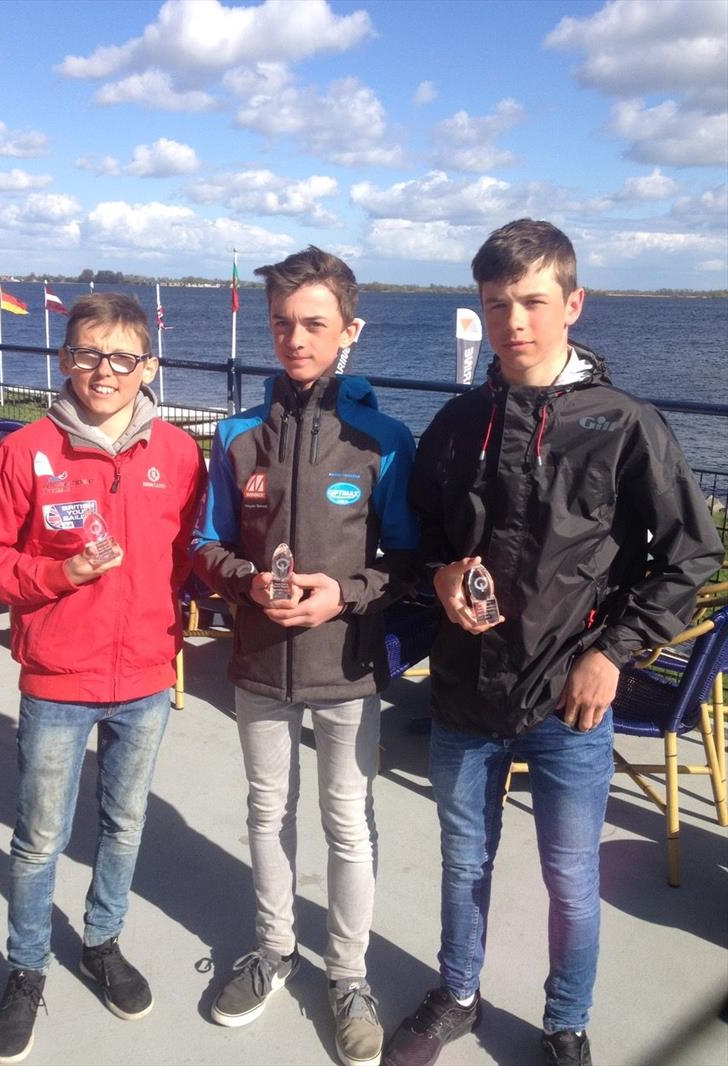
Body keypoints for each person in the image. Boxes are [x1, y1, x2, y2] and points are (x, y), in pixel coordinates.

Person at [383, 219, 724, 1066]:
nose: (515, 322)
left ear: (573, 303)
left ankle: (566, 1020)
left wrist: (613, 655)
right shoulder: (460, 422)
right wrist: (434, 578)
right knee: (464, 860)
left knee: (571, 880)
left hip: (571, 700)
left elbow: (692, 554)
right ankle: (458, 994)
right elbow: (415, 539)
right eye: (497, 304)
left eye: (534, 301)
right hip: (465, 690)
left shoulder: (623, 423)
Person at [0, 293, 205, 1064]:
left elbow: (191, 553)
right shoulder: (26, 450)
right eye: (88, 354)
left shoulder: (180, 455)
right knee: (38, 841)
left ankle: (102, 941)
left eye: (124, 357)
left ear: (148, 367)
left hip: (149, 679)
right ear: (63, 360)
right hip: (58, 680)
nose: (105, 371)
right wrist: (56, 576)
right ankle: (26, 967)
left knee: (123, 827)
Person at [193, 246, 418, 1066]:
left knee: (347, 827)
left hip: (348, 668)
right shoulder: (237, 434)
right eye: (283, 323)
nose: (295, 338)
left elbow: (406, 560)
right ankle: (275, 948)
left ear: (349, 331)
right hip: (259, 666)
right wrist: (247, 580)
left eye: (314, 323)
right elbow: (204, 542)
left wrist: (344, 594)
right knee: (265, 813)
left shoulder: (383, 439)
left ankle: (349, 976)